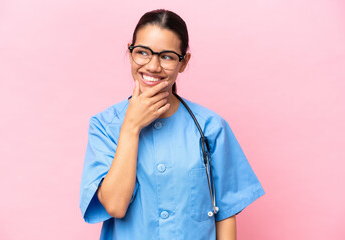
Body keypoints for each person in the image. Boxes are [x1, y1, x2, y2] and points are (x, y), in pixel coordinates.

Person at [79, 9, 265, 240]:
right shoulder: (104, 126)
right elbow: (115, 206)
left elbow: (225, 213)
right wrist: (131, 127)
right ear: (130, 53)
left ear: (183, 62)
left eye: (166, 56)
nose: (153, 66)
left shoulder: (211, 127)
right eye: (143, 52)